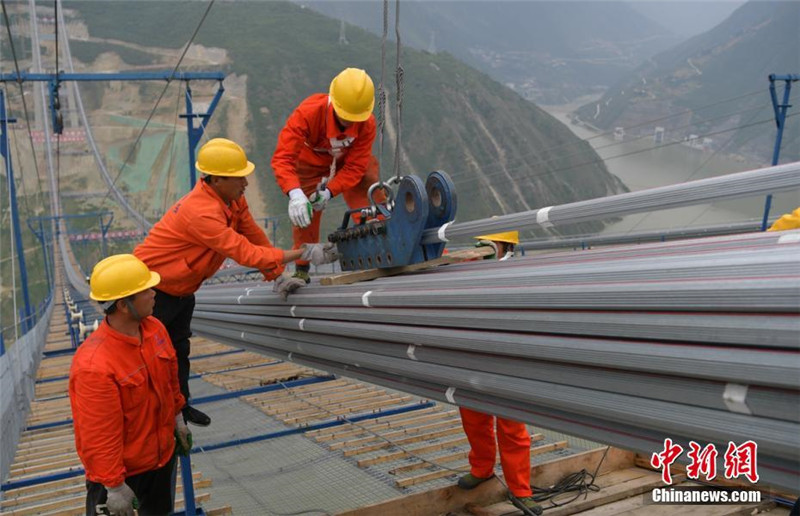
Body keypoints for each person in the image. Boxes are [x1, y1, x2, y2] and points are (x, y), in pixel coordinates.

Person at [135, 138, 338, 427]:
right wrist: (304, 252)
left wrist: (277, 274)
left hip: (182, 289)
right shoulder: (200, 212)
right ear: (216, 179)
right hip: (153, 293)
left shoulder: (231, 199)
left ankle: (182, 407)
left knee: (179, 349)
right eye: (238, 177)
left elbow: (253, 235)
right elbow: (244, 252)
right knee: (152, 356)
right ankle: (156, 420)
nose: (245, 183)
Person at [70, 254, 192, 516]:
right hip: (123, 478)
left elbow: (170, 378)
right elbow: (98, 435)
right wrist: (114, 486)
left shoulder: (155, 329)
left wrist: (178, 415)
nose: (154, 293)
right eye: (145, 290)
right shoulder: (94, 365)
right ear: (124, 305)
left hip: (160, 463)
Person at [271, 67, 385, 283]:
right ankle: (302, 268)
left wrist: (330, 191)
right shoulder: (308, 114)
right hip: (309, 165)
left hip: (346, 162)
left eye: (355, 118)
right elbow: (283, 158)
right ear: (334, 102)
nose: (350, 123)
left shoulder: (366, 123)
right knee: (304, 215)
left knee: (368, 182)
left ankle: (377, 242)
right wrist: (295, 193)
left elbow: (355, 167)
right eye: (346, 117)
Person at [457, 231, 542, 515]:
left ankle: (520, 490)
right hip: (474, 355)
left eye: (490, 243)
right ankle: (481, 468)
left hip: (507, 360)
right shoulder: (468, 270)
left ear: (506, 245)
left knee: (512, 428)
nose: (483, 248)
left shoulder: (519, 273)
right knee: (473, 417)